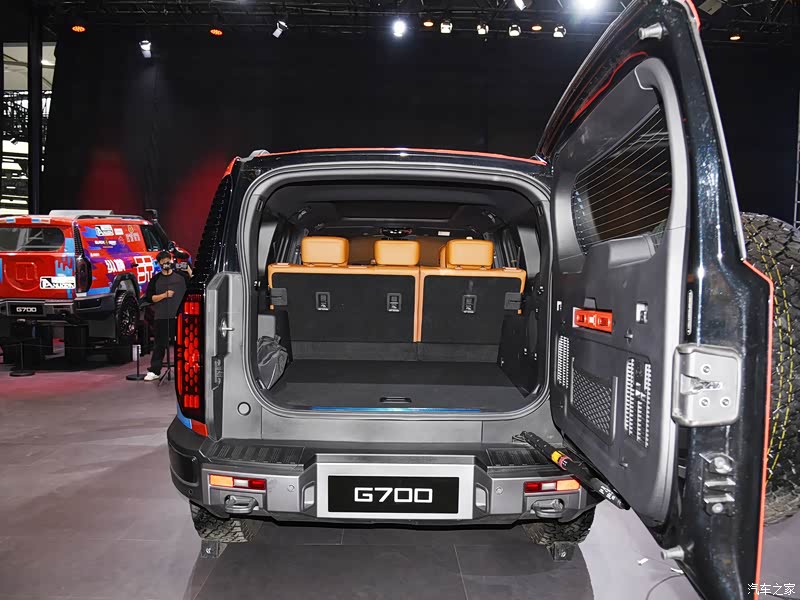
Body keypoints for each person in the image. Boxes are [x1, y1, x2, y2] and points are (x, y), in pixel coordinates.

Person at [143, 251, 192, 381]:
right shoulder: (155, 279)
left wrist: (189, 270)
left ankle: (187, 369)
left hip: (180, 317)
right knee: (159, 345)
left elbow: (194, 287)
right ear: (159, 263)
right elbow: (150, 298)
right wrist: (164, 295)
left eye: (167, 260)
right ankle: (155, 370)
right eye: (163, 261)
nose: (166, 263)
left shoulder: (181, 276)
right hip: (162, 317)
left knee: (184, 344)